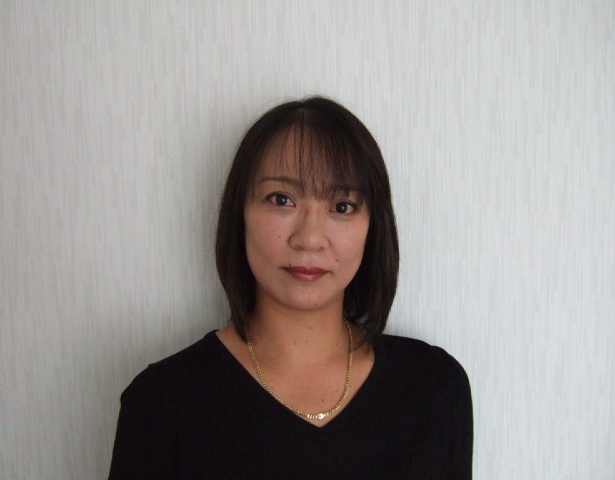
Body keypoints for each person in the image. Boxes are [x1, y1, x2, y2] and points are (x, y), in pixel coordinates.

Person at [108, 97, 473, 479]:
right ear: (240, 214)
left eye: (342, 206)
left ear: (373, 226)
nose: (310, 238)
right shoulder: (161, 403)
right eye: (282, 200)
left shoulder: (435, 389)